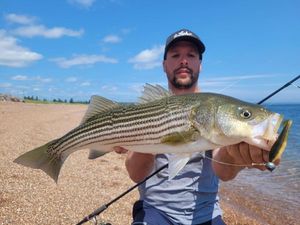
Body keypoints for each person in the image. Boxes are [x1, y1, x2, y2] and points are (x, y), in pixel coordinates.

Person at [115, 29, 276, 225]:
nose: (184, 61)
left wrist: (236, 155)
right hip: (154, 210)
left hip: (207, 213)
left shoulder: (212, 108)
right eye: (175, 55)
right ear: (164, 65)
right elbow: (136, 175)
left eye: (191, 55)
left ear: (200, 64)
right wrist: (147, 135)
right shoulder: (147, 108)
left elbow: (223, 171)